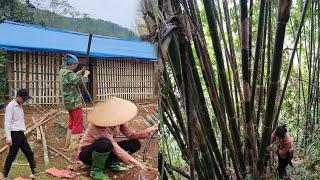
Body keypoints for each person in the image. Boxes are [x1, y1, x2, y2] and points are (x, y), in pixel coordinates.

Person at [78, 97, 158, 180]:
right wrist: (132, 160)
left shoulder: (118, 122)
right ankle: (96, 170)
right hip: (87, 153)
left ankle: (111, 162)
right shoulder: (97, 127)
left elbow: (131, 134)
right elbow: (114, 146)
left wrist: (147, 131)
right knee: (105, 143)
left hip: (107, 148)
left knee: (135, 143)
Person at [2, 89, 39, 179]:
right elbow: (7, 123)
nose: (24, 101)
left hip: (21, 134)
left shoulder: (19, 105)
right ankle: (4, 174)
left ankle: (34, 169)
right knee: (12, 155)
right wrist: (8, 137)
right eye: (23, 99)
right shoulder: (11, 106)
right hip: (14, 134)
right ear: (18, 96)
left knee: (29, 152)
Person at [59, 54, 90, 151]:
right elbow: (78, 81)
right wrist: (85, 75)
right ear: (72, 64)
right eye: (76, 64)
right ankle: (73, 146)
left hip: (68, 101)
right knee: (78, 123)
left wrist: (81, 71)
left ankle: (67, 144)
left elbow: (73, 77)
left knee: (72, 122)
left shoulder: (63, 71)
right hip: (74, 101)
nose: (76, 66)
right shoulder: (69, 73)